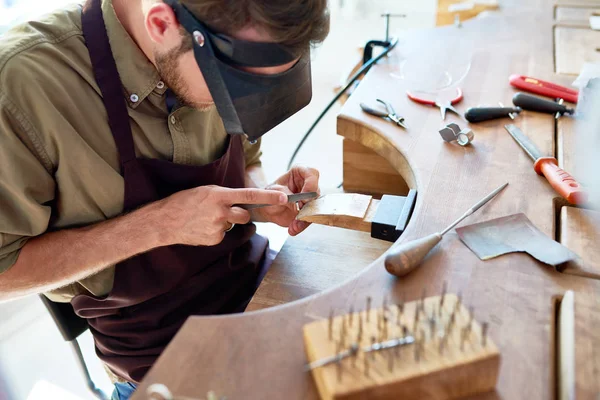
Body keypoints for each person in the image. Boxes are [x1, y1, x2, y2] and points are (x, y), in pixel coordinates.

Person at [0, 0, 329, 398]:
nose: (239, 105)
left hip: (260, 293)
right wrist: (159, 225)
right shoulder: (23, 81)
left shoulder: (210, 51)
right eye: (232, 89)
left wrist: (264, 197)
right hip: (160, 359)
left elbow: (249, 162)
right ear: (160, 23)